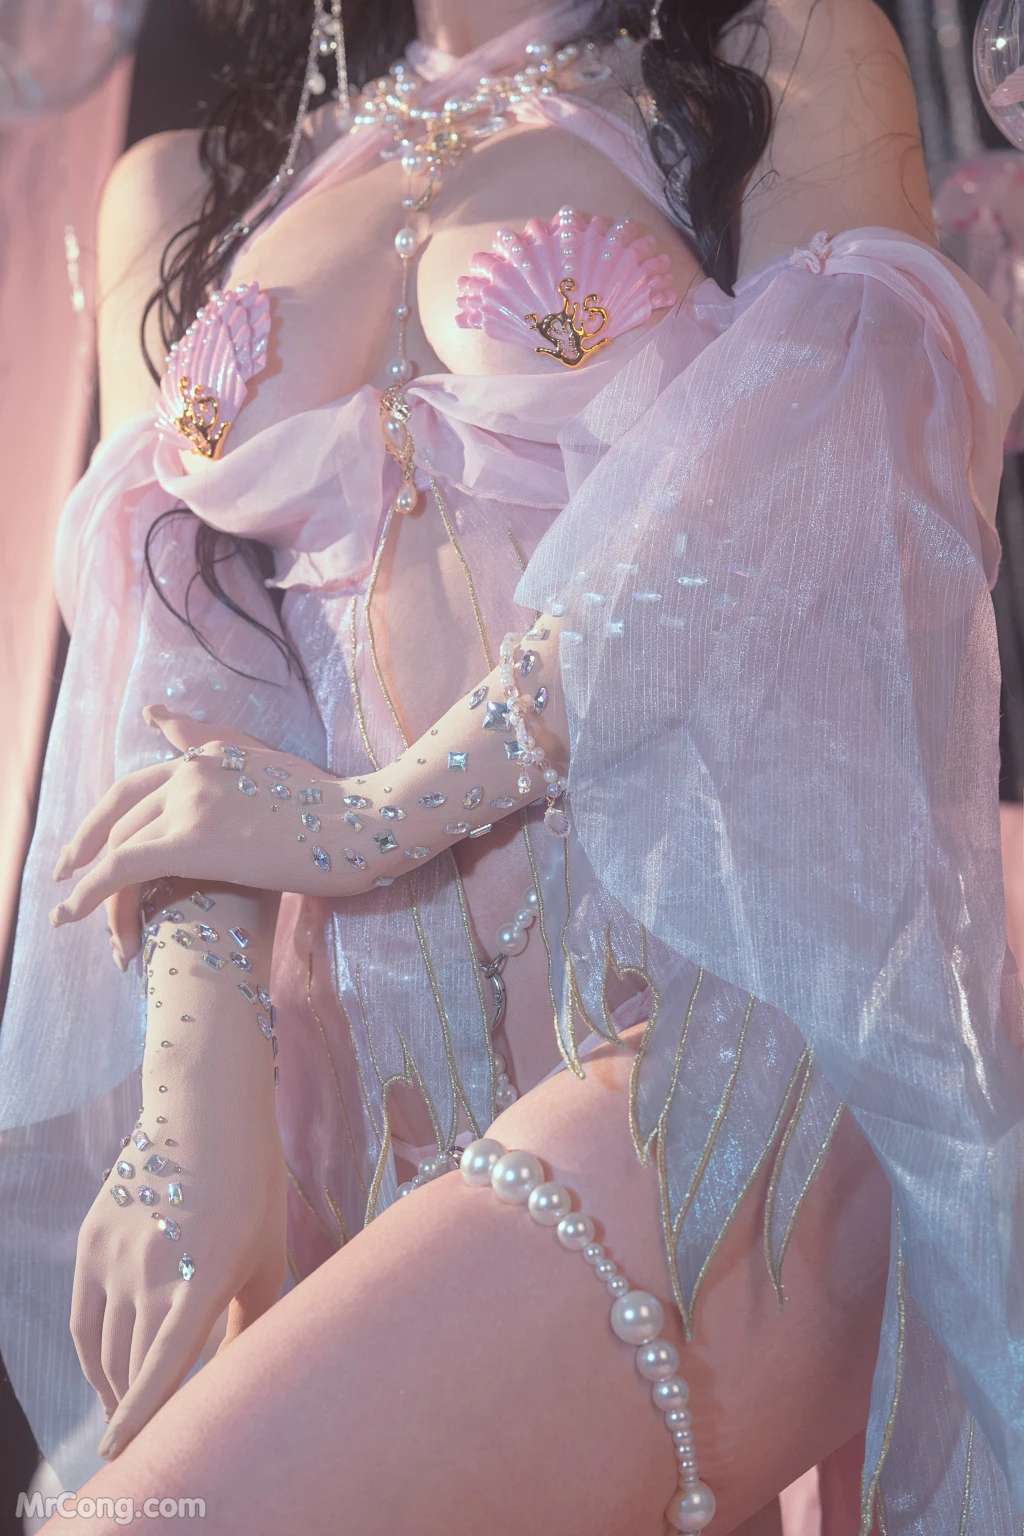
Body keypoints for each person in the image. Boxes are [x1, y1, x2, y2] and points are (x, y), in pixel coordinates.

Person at [1, 0, 1022, 1531]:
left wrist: (371, 819)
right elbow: (180, 665)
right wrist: (192, 1092)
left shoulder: (783, 54)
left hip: (701, 1063)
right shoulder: (181, 187)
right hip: (350, 1125)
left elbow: (815, 486)